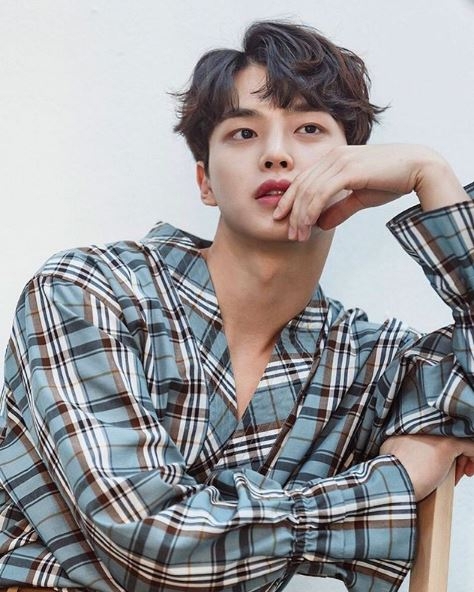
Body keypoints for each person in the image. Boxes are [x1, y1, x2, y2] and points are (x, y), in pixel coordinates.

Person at [0, 19, 473, 592]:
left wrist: (434, 179)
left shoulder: (369, 365)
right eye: (244, 133)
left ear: (356, 170)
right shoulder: (90, 291)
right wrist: (388, 487)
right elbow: (150, 542)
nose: (276, 154)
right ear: (205, 181)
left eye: (308, 128)